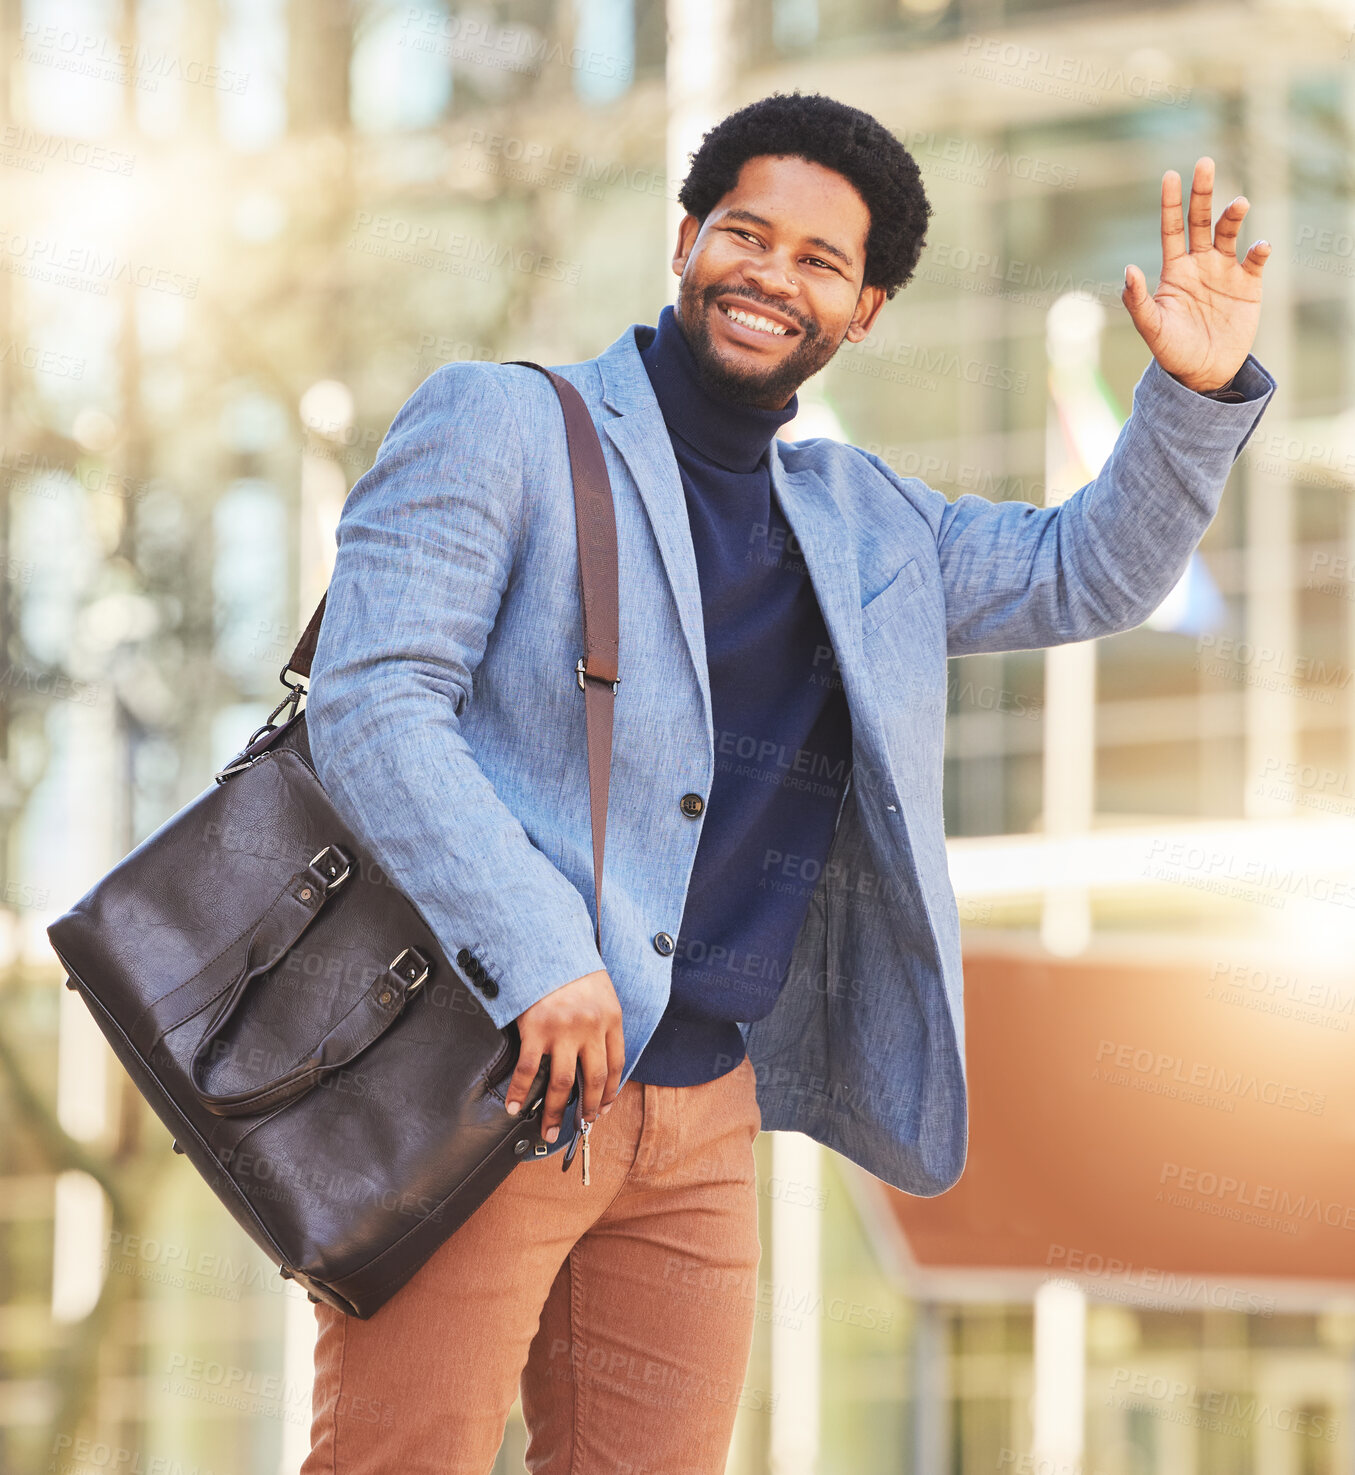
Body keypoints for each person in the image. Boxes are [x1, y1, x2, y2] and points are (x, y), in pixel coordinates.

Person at [300, 92, 1274, 1474]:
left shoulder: (863, 519)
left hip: (701, 1116)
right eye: (745, 234)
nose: (772, 274)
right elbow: (371, 701)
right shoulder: (504, 425)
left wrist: (1190, 393)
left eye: (822, 261)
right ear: (686, 238)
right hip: (489, 1071)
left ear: (863, 311)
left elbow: (1085, 570)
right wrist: (538, 953)